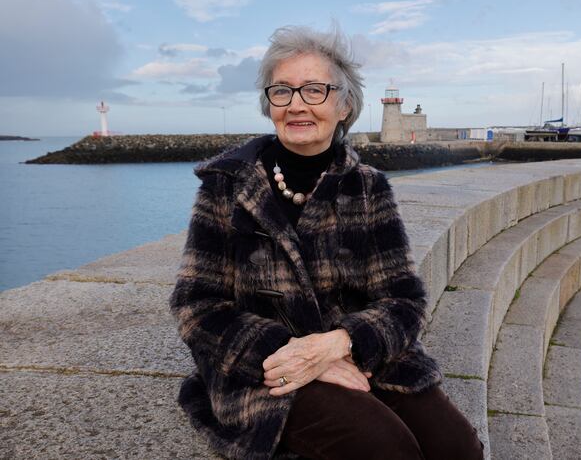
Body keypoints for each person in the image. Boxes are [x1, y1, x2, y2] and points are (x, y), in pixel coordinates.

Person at [169, 25, 484, 460]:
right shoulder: (227, 186)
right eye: (282, 91)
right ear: (269, 104)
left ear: (344, 105)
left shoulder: (368, 187)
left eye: (314, 90)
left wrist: (341, 343)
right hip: (266, 368)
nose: (296, 105)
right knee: (385, 449)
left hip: (359, 354)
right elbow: (197, 306)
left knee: (458, 449)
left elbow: (404, 301)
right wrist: (297, 354)